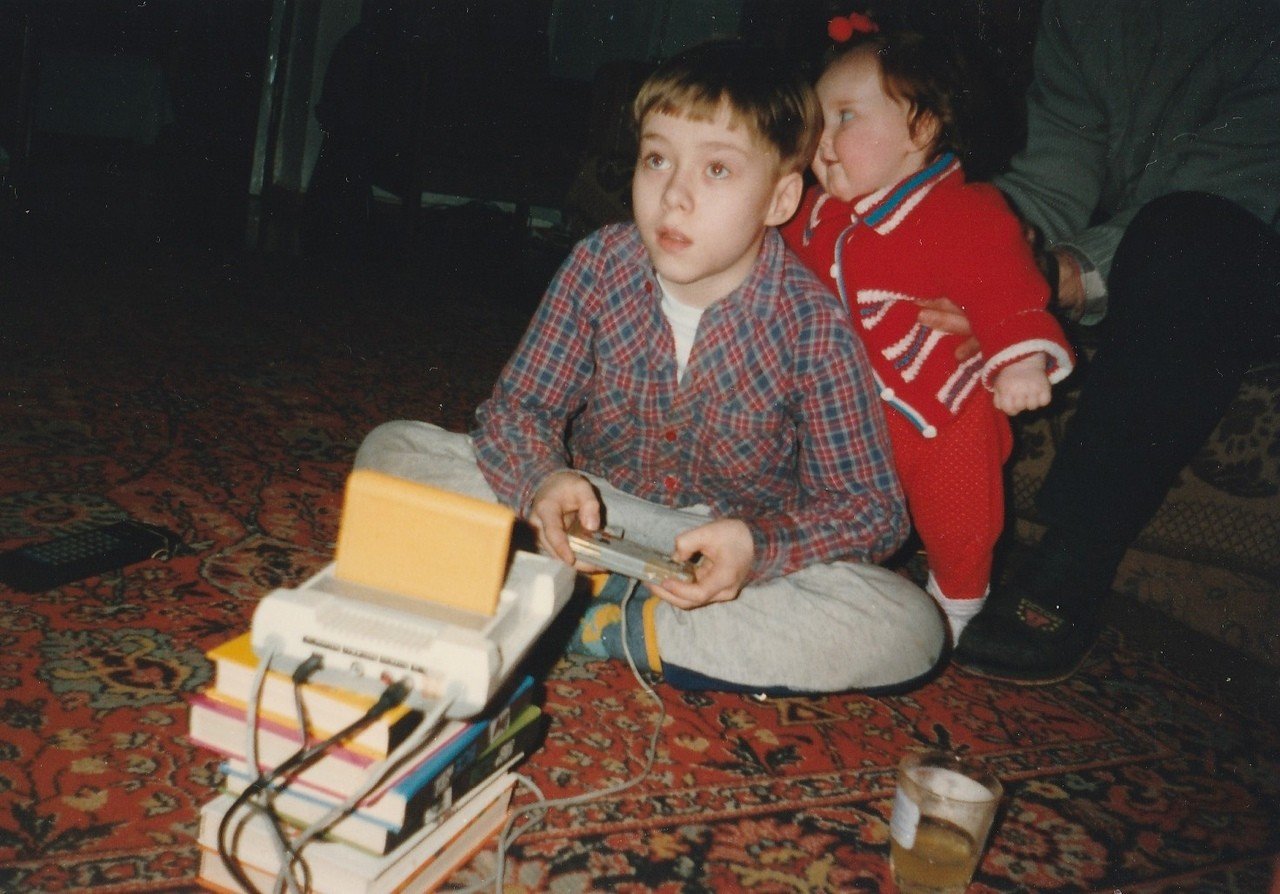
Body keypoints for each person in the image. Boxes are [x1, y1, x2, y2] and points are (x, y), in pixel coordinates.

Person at [354, 39, 947, 694]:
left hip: (717, 553)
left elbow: (871, 508)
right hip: (590, 510)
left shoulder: (813, 326)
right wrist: (543, 482)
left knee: (911, 625)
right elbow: (518, 411)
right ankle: (576, 589)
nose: (674, 196)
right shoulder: (599, 265)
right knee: (391, 452)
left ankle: (608, 622)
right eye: (657, 159)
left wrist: (757, 546)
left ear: (780, 200)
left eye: (716, 170)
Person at [925, 0, 1280, 683]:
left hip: (1242, 251)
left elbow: (1225, 194)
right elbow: (1053, 176)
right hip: (1136, 255)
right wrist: (972, 239)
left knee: (1188, 240)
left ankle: (1073, 557)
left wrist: (1056, 276)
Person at [781, 17, 1075, 643]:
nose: (822, 141)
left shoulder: (963, 210)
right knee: (816, 490)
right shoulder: (812, 214)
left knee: (959, 510)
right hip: (845, 409)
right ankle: (823, 574)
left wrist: (1020, 359)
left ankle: (957, 603)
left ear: (921, 127)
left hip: (939, 409)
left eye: (846, 117)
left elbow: (1005, 282)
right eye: (817, 122)